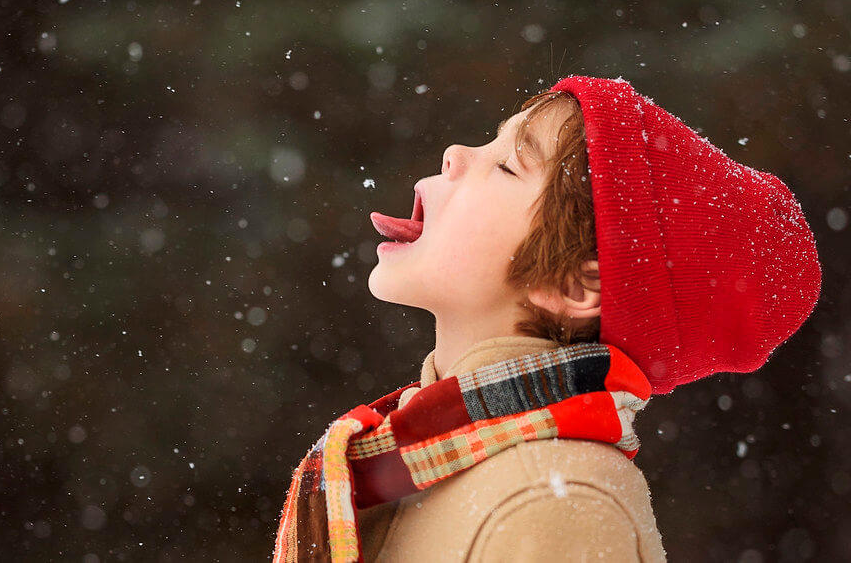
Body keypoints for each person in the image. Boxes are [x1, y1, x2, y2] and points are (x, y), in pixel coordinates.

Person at [273, 75, 821, 562]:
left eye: (508, 164)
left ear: (573, 285)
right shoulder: (417, 458)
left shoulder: (555, 509)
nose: (455, 153)